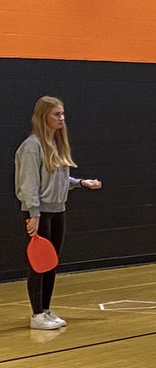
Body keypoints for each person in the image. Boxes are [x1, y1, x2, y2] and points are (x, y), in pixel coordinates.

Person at [15, 96, 102, 330]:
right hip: (39, 213)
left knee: (51, 263)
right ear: (44, 116)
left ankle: (45, 309)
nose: (62, 118)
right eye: (57, 114)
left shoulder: (57, 144)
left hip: (57, 210)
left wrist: (81, 183)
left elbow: (59, 179)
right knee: (38, 264)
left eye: (63, 114)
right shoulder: (31, 147)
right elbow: (29, 184)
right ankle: (36, 315)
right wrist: (33, 214)